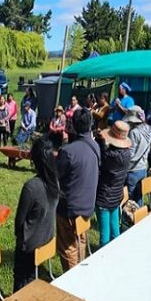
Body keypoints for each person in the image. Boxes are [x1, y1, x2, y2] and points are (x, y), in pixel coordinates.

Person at [13, 136, 59, 291]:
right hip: (46, 239)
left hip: (29, 244)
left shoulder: (31, 187)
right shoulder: (55, 182)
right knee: (32, 277)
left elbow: (19, 222)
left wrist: (20, 238)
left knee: (21, 279)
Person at [56, 108, 100, 271]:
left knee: (68, 247)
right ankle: (80, 274)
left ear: (73, 124)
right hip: (87, 206)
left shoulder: (68, 151)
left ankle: (71, 282)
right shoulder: (96, 146)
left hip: (69, 209)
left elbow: (55, 175)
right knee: (81, 241)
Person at [94, 121, 132, 247]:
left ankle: (103, 256)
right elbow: (109, 154)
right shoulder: (127, 154)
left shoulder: (110, 156)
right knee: (115, 229)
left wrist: (100, 142)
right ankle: (116, 250)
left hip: (104, 197)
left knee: (104, 234)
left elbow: (103, 156)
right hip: (116, 196)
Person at [123, 106, 151, 206]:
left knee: (130, 200)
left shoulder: (134, 132)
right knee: (139, 196)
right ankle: (140, 216)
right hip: (143, 167)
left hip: (132, 169)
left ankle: (131, 220)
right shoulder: (148, 129)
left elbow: (131, 153)